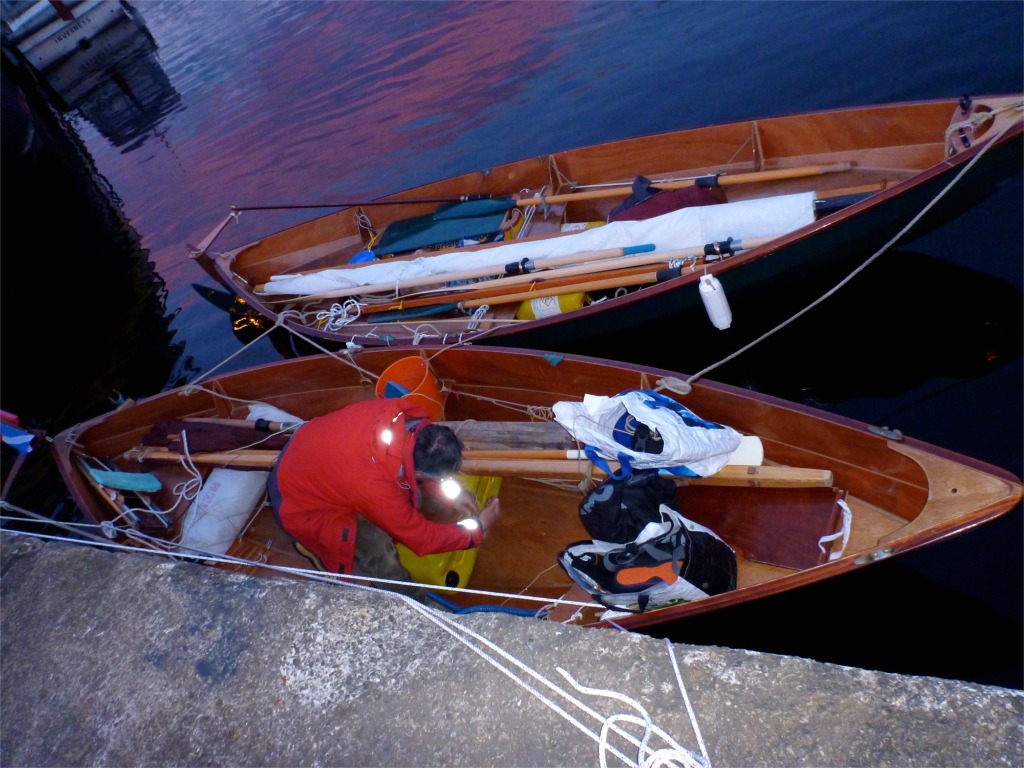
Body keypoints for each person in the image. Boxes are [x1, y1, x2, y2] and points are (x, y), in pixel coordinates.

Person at [267, 397, 501, 596]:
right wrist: (477, 529)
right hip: (298, 502)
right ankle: (412, 600)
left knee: (412, 501)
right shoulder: (375, 486)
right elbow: (422, 539)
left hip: (315, 456)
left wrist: (451, 494)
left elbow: (414, 467)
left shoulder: (405, 418)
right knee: (378, 552)